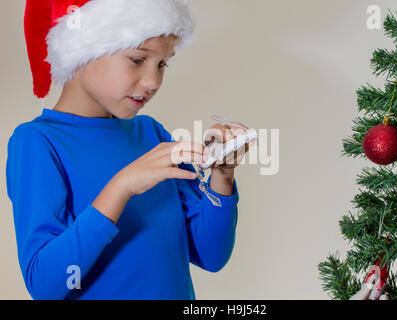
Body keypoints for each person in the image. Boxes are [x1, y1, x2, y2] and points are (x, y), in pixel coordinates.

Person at [6, 0, 252, 300]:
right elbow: (45, 285)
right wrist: (121, 187)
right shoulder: (38, 142)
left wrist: (221, 175)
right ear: (84, 48)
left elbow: (210, 255)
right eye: (137, 59)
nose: (153, 82)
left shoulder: (151, 133)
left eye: (162, 64)